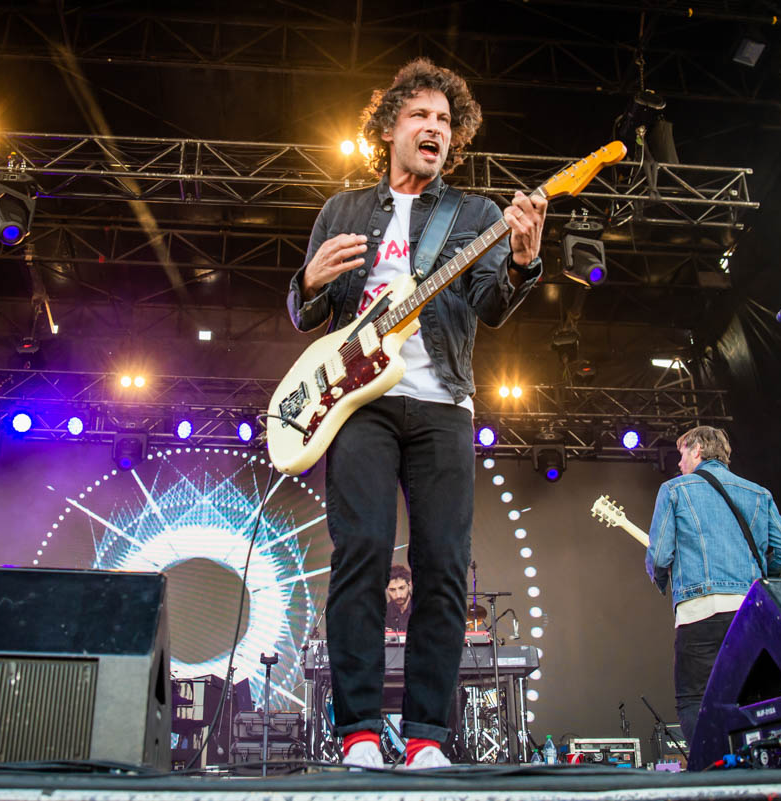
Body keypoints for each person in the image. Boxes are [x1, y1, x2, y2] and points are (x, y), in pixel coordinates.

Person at [287, 58, 547, 769]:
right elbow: (308, 315)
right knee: (361, 552)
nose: (435, 128)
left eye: (445, 121)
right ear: (389, 128)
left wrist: (522, 264)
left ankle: (429, 734)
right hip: (360, 404)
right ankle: (359, 732)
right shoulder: (342, 210)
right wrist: (306, 281)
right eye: (421, 116)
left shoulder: (477, 215)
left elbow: (492, 305)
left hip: (443, 403)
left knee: (443, 567)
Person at [645, 425, 781, 748]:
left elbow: (660, 555)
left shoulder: (674, 490)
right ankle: (761, 761)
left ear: (697, 450)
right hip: (750, 614)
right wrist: (755, 579)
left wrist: (661, 580)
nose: (679, 463)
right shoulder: (758, 493)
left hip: (699, 612)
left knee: (694, 698)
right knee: (756, 697)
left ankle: (711, 764)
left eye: (682, 454)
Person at [385, 564, 413, 632]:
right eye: (392, 590)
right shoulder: (383, 612)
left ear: (409, 586)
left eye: (401, 588)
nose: (398, 595)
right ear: (386, 590)